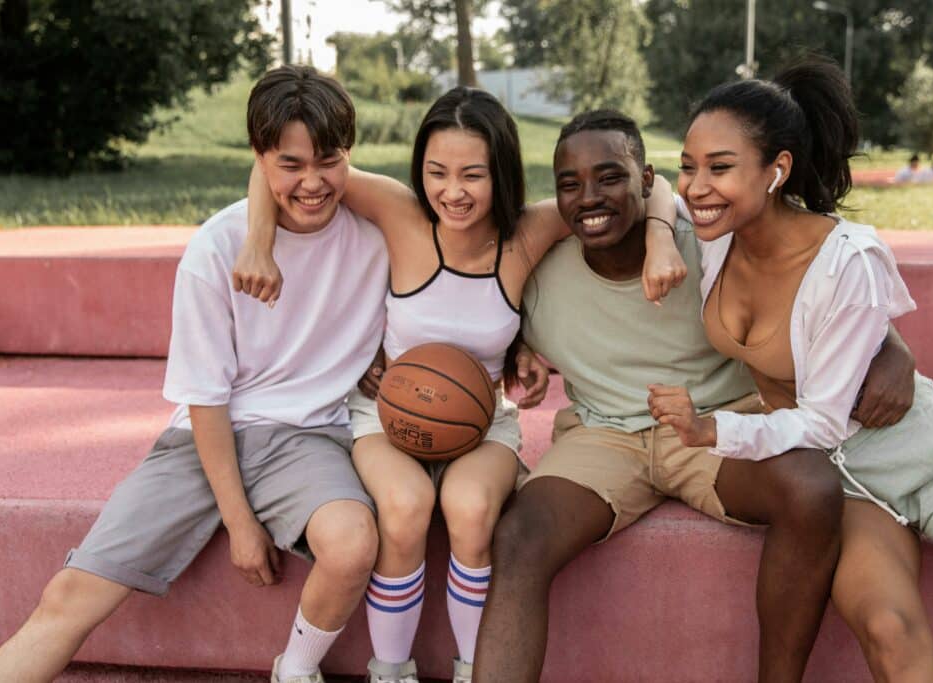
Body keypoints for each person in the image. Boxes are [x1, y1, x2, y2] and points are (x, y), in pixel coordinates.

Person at [232, 88, 685, 683]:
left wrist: (660, 238)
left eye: (473, 174)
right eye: (437, 172)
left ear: (500, 172)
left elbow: (656, 186)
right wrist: (258, 245)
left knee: (471, 511)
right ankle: (390, 671)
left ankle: (476, 669)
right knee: (405, 505)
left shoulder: (528, 233)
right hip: (384, 417)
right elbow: (275, 165)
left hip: (481, 423)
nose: (453, 191)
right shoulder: (400, 212)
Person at [470, 110, 917, 683]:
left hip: (716, 427)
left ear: (647, 180)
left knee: (809, 487)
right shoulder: (538, 273)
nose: (589, 197)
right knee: (520, 534)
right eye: (569, 184)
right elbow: (473, 319)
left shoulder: (709, 241)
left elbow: (819, 265)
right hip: (603, 437)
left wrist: (891, 343)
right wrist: (518, 353)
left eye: (609, 177)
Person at [0, 66, 388, 683]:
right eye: (290, 165)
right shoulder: (217, 246)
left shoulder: (377, 235)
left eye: (330, 161)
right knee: (67, 597)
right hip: (204, 437)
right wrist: (239, 523)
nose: (313, 183)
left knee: (352, 544)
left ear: (350, 157)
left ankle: (296, 669)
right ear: (259, 159)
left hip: (308, 439)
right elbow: (206, 399)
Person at [654, 56, 933, 681]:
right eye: (689, 166)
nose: (696, 186)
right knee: (888, 628)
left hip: (920, 454)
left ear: (778, 171)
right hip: (843, 484)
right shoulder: (714, 231)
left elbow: (822, 421)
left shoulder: (847, 258)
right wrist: (662, 236)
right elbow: (650, 190)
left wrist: (714, 431)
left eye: (720, 168)